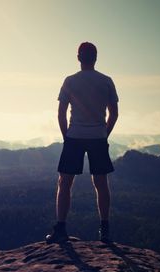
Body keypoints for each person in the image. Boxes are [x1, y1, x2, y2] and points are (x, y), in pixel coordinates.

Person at [45, 42, 119, 244]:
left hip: (74, 136)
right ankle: (105, 230)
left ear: (79, 58)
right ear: (96, 58)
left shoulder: (70, 81)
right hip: (98, 137)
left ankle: (60, 228)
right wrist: (104, 133)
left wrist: (66, 136)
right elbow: (114, 113)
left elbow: (60, 113)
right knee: (101, 183)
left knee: (65, 182)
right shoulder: (106, 81)